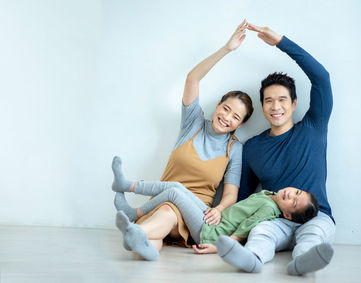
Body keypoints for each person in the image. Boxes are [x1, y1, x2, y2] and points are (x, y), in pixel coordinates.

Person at [111, 20, 254, 261]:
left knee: (174, 201)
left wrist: (218, 210)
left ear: (240, 125)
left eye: (236, 117)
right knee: (162, 220)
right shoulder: (193, 124)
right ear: (218, 105)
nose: (227, 117)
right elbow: (192, 79)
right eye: (226, 108)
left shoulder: (234, 148)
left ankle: (134, 222)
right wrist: (226, 49)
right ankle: (141, 239)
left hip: (196, 214)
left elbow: (230, 195)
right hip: (160, 204)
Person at [215, 23, 335, 275]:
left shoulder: (313, 127)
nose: (275, 106)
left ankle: (303, 263)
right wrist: (225, 233)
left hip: (316, 215)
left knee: (314, 235)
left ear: (294, 103)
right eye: (268, 100)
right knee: (260, 234)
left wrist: (281, 42)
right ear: (262, 106)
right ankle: (251, 259)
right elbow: (243, 200)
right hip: (273, 219)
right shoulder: (253, 147)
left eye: (282, 99)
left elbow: (322, 77)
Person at [113, 175, 319, 255]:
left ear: (287, 215)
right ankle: (128, 186)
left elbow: (245, 228)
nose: (291, 195)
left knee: (174, 193)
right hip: (211, 218)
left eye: (294, 203)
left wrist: (218, 246)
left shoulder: (270, 209)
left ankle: (134, 213)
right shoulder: (269, 195)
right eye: (297, 192)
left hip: (209, 231)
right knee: (177, 185)